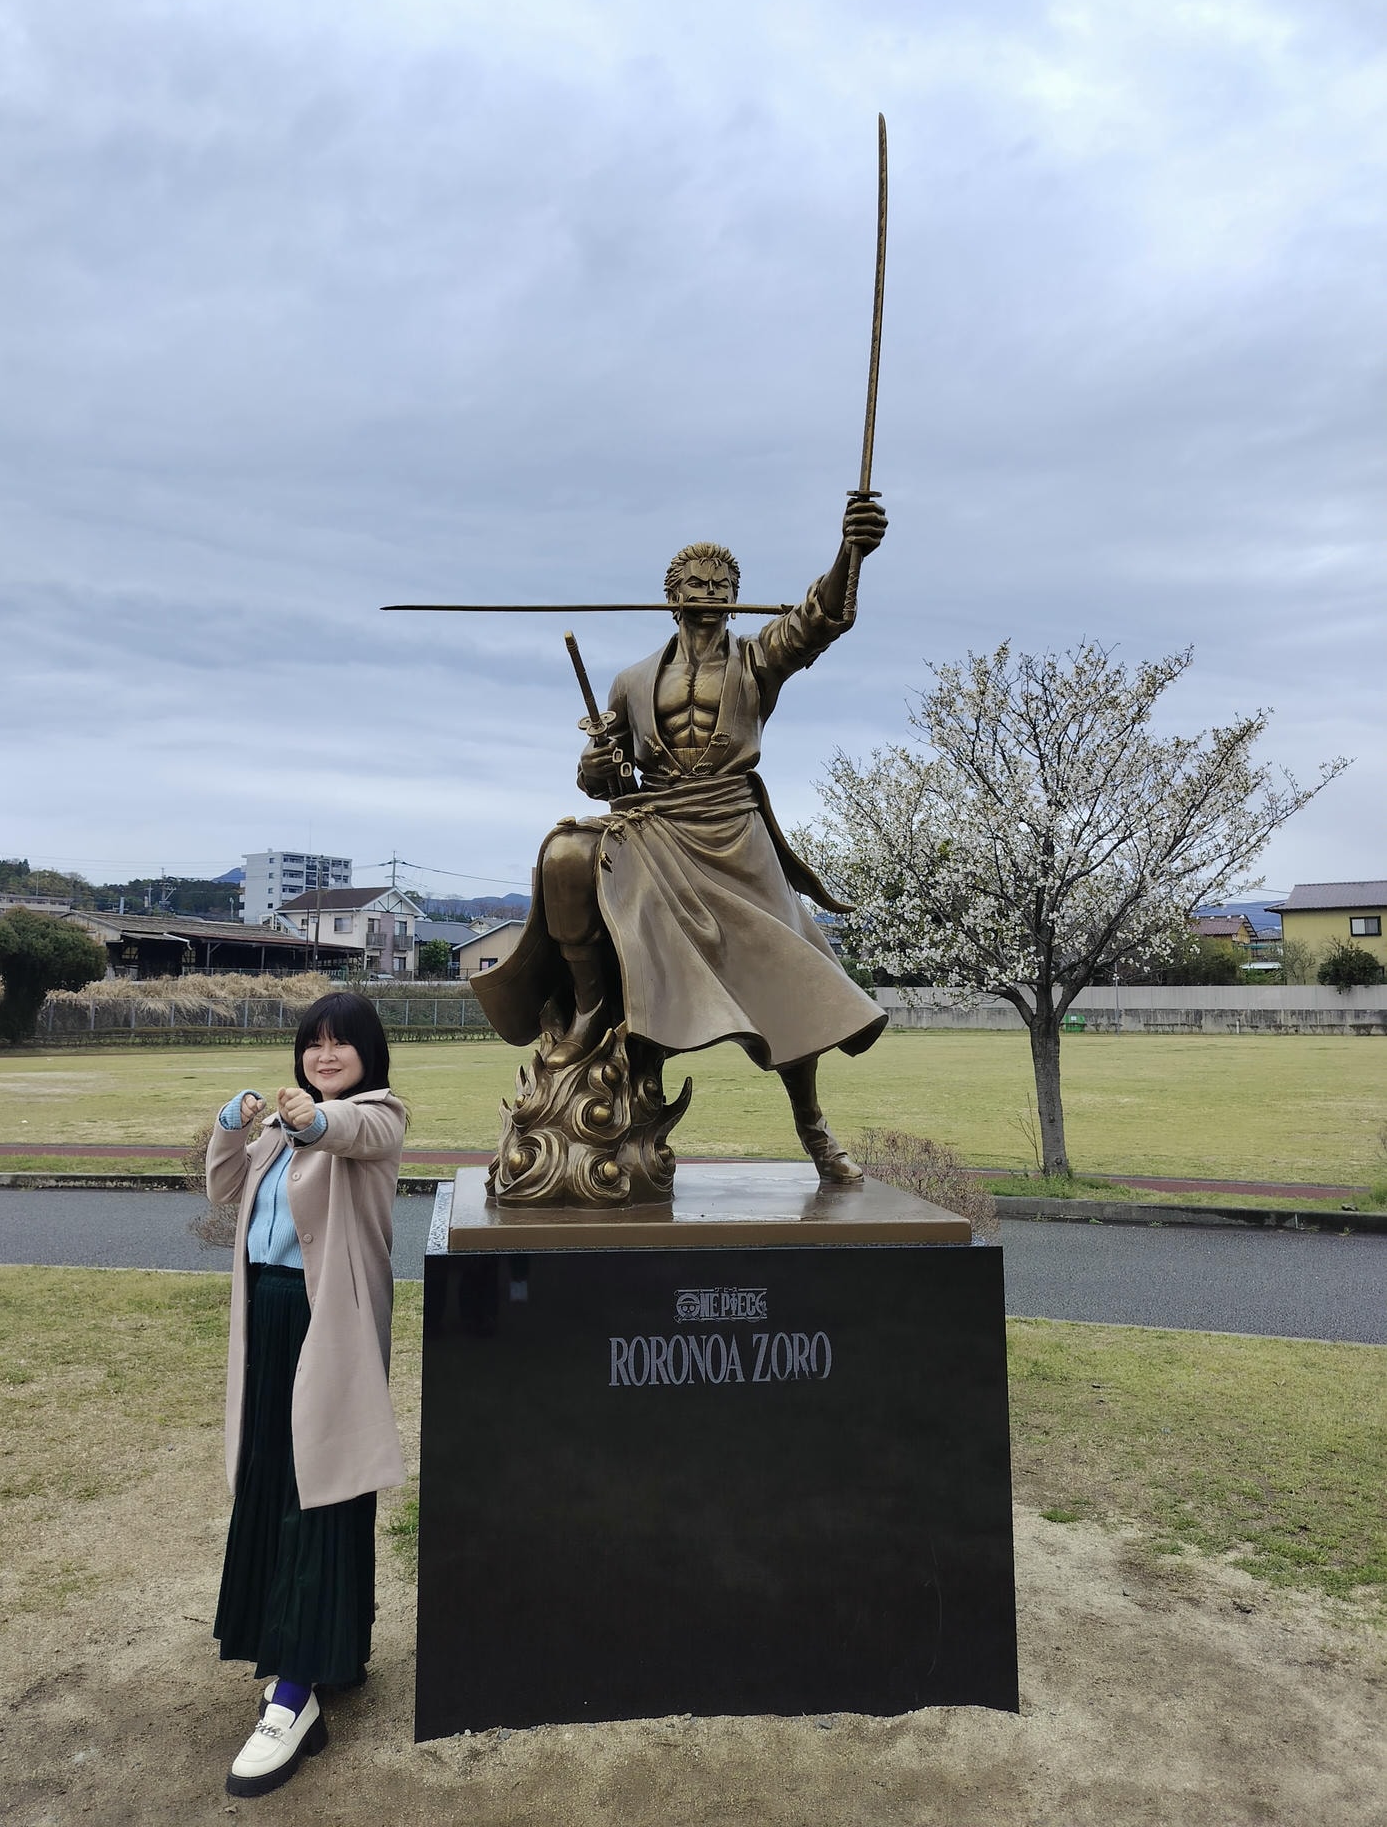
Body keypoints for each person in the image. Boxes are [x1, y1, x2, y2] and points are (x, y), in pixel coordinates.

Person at [474, 495, 889, 1181]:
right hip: (659, 825)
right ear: (671, 598)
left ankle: (812, 1127)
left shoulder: (756, 661)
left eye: (722, 588)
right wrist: (600, 767)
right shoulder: (632, 681)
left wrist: (852, 552)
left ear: (736, 599)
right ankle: (589, 1010)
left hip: (732, 830)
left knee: (788, 984)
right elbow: (599, 777)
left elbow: (820, 619)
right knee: (567, 853)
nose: (709, 595)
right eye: (695, 586)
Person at [205, 990, 405, 1800]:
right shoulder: (275, 1135)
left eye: (340, 1044)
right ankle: (326, 1660)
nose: (324, 1056)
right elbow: (224, 1190)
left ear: (365, 1054)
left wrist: (310, 1119)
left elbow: (349, 1130)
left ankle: (294, 1693)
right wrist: (233, 1121)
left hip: (326, 1330)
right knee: (270, 1487)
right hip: (268, 1321)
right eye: (312, 1044)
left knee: (314, 1493)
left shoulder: (378, 1116)